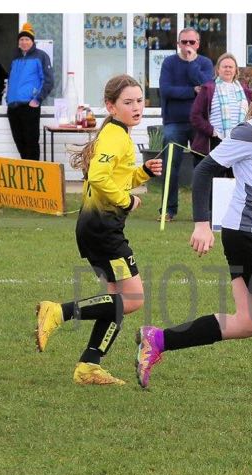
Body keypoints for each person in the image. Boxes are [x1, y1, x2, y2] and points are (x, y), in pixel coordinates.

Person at [134, 68, 252, 416]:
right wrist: (201, 224)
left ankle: (159, 339)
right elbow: (203, 170)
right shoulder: (250, 132)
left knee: (247, 323)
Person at [33, 74, 163, 385]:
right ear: (111, 106)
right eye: (128, 102)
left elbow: (114, 176)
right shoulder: (115, 136)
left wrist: (142, 173)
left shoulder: (117, 133)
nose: (136, 107)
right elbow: (100, 178)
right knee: (134, 299)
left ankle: (89, 366)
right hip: (103, 230)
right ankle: (58, 312)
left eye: (139, 101)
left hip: (96, 227)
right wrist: (127, 201)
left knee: (114, 300)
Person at [158, 27, 214, 221]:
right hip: (174, 122)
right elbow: (166, 90)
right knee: (170, 166)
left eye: (192, 42)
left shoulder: (204, 63)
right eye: (184, 42)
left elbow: (207, 87)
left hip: (199, 123)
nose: (187, 45)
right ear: (178, 44)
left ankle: (204, 212)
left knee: (203, 168)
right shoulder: (169, 63)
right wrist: (192, 91)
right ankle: (168, 210)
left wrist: (191, 63)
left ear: (198, 44)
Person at [189, 52, 252, 167]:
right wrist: (212, 131)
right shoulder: (208, 88)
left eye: (230, 67)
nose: (228, 69)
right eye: (225, 67)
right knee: (214, 177)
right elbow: (195, 116)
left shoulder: (245, 90)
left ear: (236, 70)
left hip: (239, 143)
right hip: (215, 141)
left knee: (234, 177)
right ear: (218, 69)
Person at [5, 22, 54, 161]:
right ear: (18, 42)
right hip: (13, 107)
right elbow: (11, 80)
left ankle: (33, 170)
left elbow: (49, 81)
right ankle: (26, 170)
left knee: (31, 142)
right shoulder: (15, 58)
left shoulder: (41, 56)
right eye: (21, 39)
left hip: (30, 106)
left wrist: (37, 99)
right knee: (19, 142)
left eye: (27, 39)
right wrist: (8, 98)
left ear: (32, 41)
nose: (24, 42)